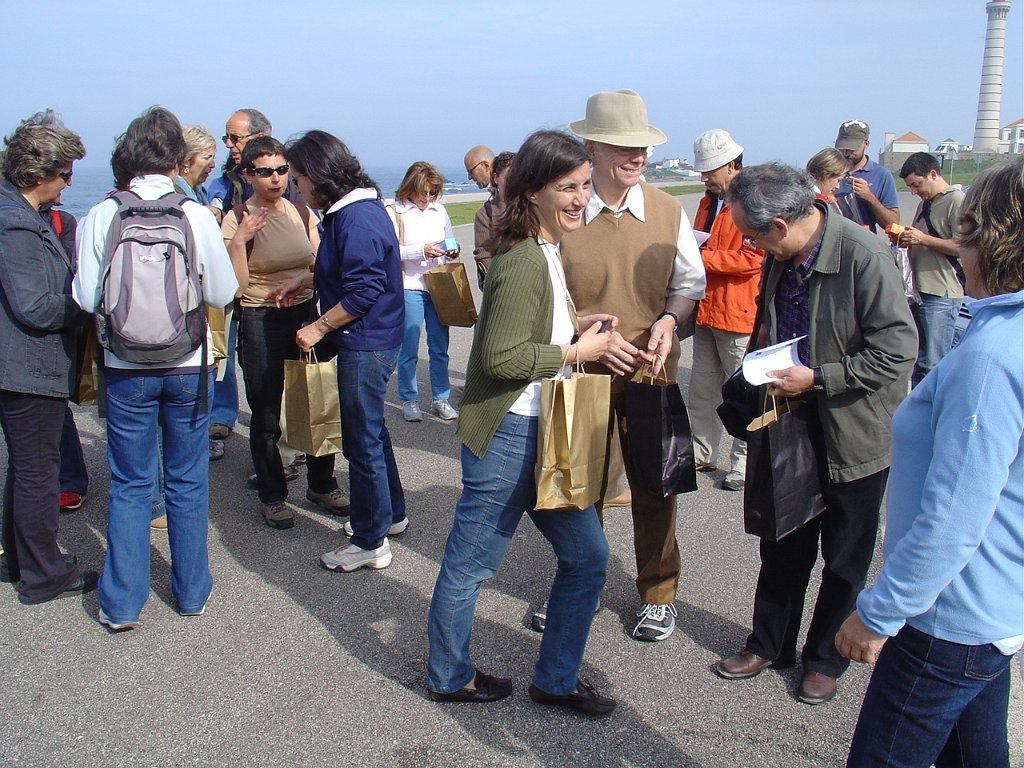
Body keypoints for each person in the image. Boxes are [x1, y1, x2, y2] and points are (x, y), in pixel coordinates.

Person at [838, 156, 1024, 768]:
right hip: (994, 605)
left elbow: (955, 515)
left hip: (948, 614)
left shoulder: (993, 357)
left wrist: (879, 612)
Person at [426, 130, 616, 716]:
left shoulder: (546, 249)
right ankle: (448, 674)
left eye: (585, 185)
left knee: (588, 559)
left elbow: (527, 329)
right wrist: (576, 352)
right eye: (568, 187)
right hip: (510, 434)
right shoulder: (523, 259)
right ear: (533, 191)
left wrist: (575, 325)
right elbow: (498, 358)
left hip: (545, 430)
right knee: (470, 566)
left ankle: (556, 679)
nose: (581, 198)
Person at [714, 163, 916, 705]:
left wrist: (820, 378)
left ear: (780, 225)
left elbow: (897, 351)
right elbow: (769, 323)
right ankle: (769, 644)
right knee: (783, 543)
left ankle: (825, 659)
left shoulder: (863, 255)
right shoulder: (781, 255)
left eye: (753, 236)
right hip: (790, 419)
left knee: (845, 557)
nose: (751, 246)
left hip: (855, 430)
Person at [74, 107, 238, 630]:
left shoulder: (102, 214)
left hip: (124, 365)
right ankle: (191, 591)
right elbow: (222, 292)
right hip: (187, 364)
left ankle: (122, 602)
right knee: (187, 479)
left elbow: (85, 297)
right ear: (175, 159)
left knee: (129, 482)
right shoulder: (193, 215)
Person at [559, 89, 706, 643]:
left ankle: (659, 593)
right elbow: (544, 297)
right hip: (581, 373)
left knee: (656, 487)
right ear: (592, 148)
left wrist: (670, 319)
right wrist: (582, 333)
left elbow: (689, 285)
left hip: (651, 371)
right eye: (624, 145)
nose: (637, 155)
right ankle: (581, 585)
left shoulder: (668, 210)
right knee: (580, 487)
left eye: (642, 145)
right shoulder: (564, 213)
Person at [275, 130, 406, 572]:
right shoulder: (353, 210)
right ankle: (391, 515)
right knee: (372, 433)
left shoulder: (356, 217)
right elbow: (349, 272)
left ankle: (370, 541)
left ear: (317, 175)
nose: (296, 188)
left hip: (365, 341)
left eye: (297, 178)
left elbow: (365, 290)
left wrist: (317, 327)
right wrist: (308, 278)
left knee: (361, 441)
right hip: (373, 337)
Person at [221, 136, 347, 530]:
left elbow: (319, 261)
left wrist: (304, 280)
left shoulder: (300, 210)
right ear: (248, 175)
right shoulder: (236, 217)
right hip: (260, 318)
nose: (276, 179)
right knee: (266, 412)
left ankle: (322, 484)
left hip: (305, 313)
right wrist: (240, 241)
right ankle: (273, 494)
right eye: (265, 172)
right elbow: (235, 288)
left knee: (316, 398)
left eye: (281, 170)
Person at [0, 111, 97, 604]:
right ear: (39, 173)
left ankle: (19, 560)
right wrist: (89, 304)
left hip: (18, 366)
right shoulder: (16, 224)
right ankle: (43, 574)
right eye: (65, 173)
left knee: (25, 469)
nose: (69, 182)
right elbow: (35, 306)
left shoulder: (17, 213)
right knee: (39, 472)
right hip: (27, 367)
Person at [689, 129, 763, 492]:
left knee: (742, 391)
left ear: (732, 166)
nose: (705, 178)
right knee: (702, 390)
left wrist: (700, 257)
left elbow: (754, 258)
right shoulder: (708, 202)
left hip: (738, 314)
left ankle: (743, 463)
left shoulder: (753, 200)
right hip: (707, 310)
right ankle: (700, 452)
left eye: (710, 171)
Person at [387, 162, 460, 423]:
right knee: (409, 345)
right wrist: (421, 250)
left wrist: (452, 249)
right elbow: (389, 250)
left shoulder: (438, 211)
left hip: (438, 284)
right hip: (410, 285)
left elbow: (450, 239)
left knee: (439, 347)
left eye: (432, 192)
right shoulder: (395, 211)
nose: (427, 198)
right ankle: (409, 398)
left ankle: (441, 398)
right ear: (410, 187)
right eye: (423, 192)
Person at [175, 124, 227, 462]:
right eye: (207, 157)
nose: (212, 164)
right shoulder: (186, 201)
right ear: (186, 159)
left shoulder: (200, 192)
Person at [897, 151, 966, 386]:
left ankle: (934, 406)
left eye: (917, 185)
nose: (914, 192)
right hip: (920, 292)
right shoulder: (925, 204)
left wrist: (922, 239)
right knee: (920, 361)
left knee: (934, 364)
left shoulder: (955, 200)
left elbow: (964, 247)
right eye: (910, 187)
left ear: (933, 174)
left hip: (941, 292)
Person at [832, 119, 899, 232]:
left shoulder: (882, 175)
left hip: (864, 240)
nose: (846, 153)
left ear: (866, 144)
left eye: (852, 148)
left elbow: (893, 224)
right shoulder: (829, 171)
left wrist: (869, 197)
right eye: (843, 148)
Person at [471, 150, 514, 286]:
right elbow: (483, 254)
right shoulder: (485, 214)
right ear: (495, 178)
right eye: (508, 178)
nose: (514, 183)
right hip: (503, 284)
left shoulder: (536, 206)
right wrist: (502, 282)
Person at [805, 148, 852, 214]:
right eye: (838, 180)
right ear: (826, 174)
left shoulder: (799, 194)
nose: (838, 186)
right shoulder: (817, 204)